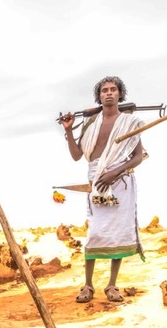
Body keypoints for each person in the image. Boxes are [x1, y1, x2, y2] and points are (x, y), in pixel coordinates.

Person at [59, 76, 148, 303]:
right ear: (99, 96)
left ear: (120, 94)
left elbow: (138, 157)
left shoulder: (130, 123)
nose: (109, 93)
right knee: (95, 233)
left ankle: (111, 285)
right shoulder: (90, 123)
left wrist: (115, 172)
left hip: (121, 183)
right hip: (96, 181)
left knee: (117, 232)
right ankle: (88, 285)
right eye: (104, 90)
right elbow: (77, 155)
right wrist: (68, 130)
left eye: (113, 89)